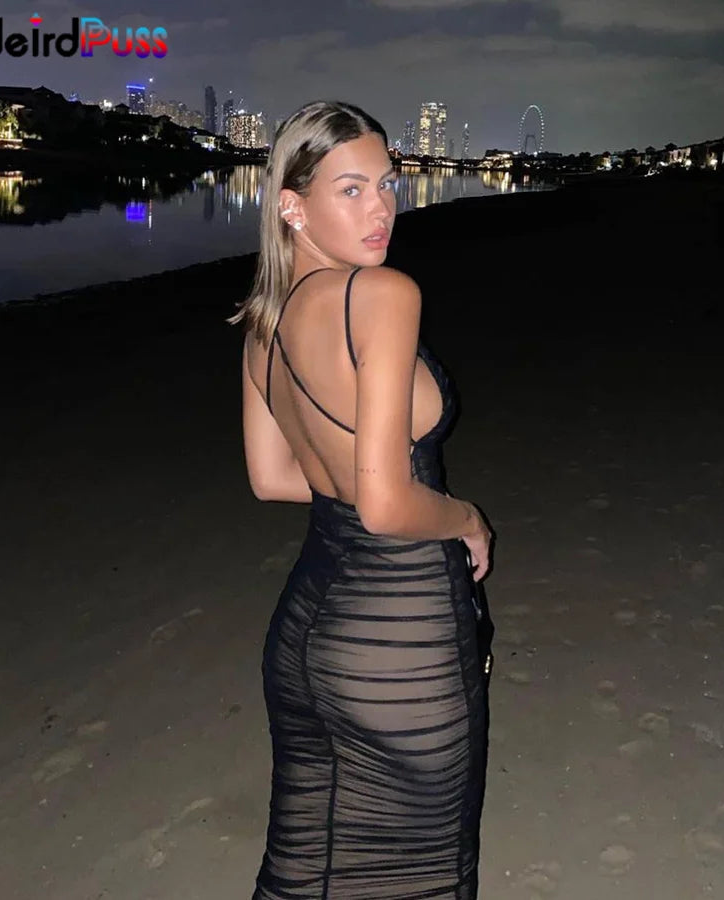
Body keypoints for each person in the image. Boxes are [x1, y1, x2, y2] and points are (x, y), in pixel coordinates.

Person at [229, 99, 494, 899]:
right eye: (351, 190)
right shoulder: (380, 295)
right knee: (423, 869)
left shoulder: (265, 323)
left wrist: (351, 481)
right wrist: (466, 519)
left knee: (307, 868)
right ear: (292, 205)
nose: (382, 209)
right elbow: (384, 506)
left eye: (386, 185)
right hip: (397, 639)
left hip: (304, 635)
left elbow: (273, 479)